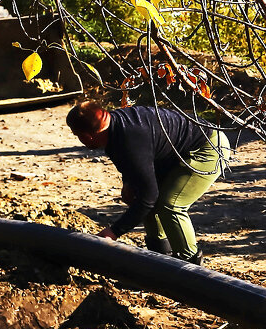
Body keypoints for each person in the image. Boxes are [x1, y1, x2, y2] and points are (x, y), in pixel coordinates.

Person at [67, 99, 230, 264]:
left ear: (88, 135)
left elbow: (148, 197)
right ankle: (160, 259)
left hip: (208, 147)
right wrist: (129, 183)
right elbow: (133, 164)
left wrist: (114, 232)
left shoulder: (130, 138)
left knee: (170, 205)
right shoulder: (112, 128)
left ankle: (191, 265)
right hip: (173, 154)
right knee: (141, 198)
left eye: (76, 134)